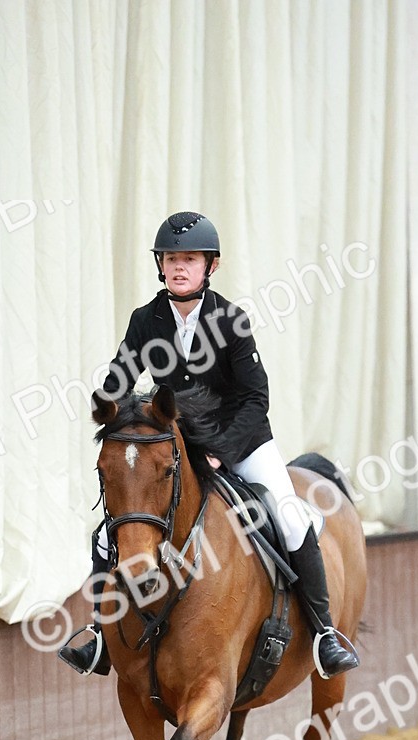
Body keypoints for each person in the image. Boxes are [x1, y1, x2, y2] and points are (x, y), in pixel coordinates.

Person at [59, 211, 359, 680]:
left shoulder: (230, 321)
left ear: (209, 267)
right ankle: (100, 635)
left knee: (289, 514)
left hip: (241, 440)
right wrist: (113, 410)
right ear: (161, 265)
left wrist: (223, 448)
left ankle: (323, 635)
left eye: (190, 259)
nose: (180, 267)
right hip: (177, 447)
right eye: (172, 258)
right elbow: (119, 382)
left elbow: (255, 397)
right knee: (106, 532)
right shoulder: (146, 321)